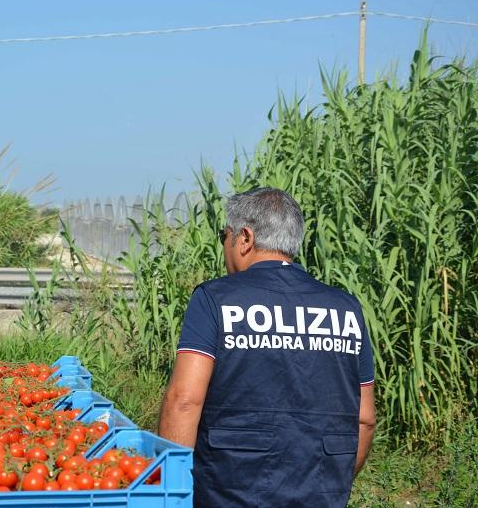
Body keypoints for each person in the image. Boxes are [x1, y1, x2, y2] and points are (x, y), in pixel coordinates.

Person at [157, 187, 376, 507]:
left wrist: (171, 490)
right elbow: (365, 419)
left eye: (224, 236)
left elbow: (184, 401)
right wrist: (331, 483)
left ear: (245, 238)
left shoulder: (215, 299)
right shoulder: (347, 309)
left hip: (229, 491)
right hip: (321, 492)